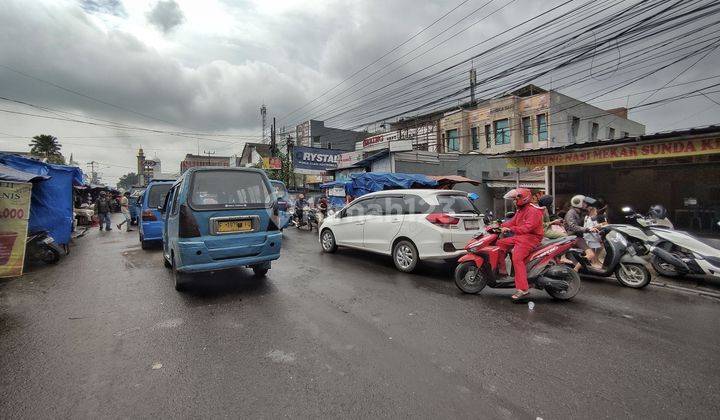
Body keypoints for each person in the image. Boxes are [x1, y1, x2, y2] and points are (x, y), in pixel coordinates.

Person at [497, 188, 544, 301]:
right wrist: (498, 225)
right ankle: (502, 272)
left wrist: (510, 229)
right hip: (521, 236)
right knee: (500, 243)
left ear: (523, 199)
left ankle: (523, 289)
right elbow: (512, 222)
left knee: (517, 258)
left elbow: (527, 228)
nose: (513, 202)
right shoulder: (521, 210)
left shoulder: (533, 211)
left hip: (531, 237)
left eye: (515, 199)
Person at [564, 194, 599, 271]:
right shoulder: (571, 213)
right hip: (574, 237)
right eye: (584, 203)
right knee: (591, 255)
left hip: (579, 236)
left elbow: (592, 218)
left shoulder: (580, 212)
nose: (586, 205)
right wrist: (588, 229)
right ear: (578, 203)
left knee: (587, 260)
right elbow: (572, 227)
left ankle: (577, 266)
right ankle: (574, 271)